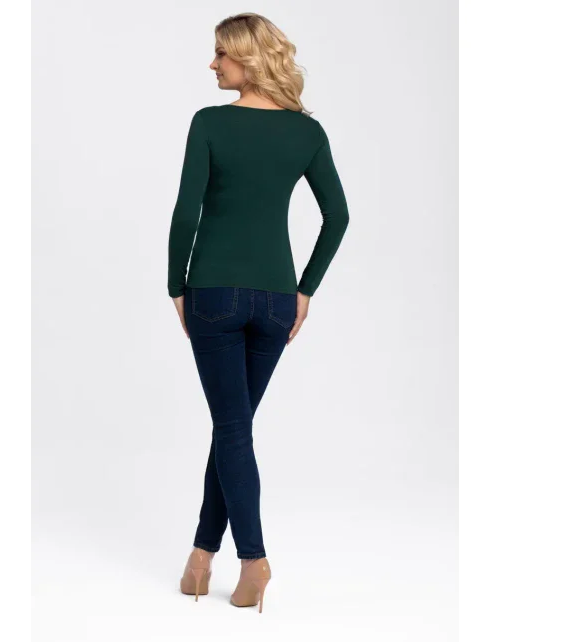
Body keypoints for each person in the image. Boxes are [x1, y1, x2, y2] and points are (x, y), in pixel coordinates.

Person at [168, 13, 350, 613]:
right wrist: (305, 290)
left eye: (221, 54)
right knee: (235, 428)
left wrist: (176, 286)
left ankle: (254, 560)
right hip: (275, 300)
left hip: (214, 294)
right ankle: (200, 559)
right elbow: (338, 216)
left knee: (231, 429)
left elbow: (187, 214)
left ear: (247, 58)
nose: (213, 64)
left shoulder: (210, 122)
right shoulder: (306, 132)